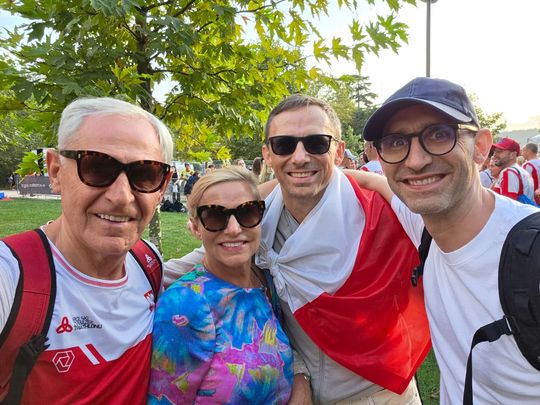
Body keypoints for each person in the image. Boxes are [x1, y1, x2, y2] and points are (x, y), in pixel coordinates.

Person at [166, 94, 430, 404]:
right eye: (284, 145)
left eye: (317, 143)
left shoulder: (384, 213)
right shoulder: (255, 222)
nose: (300, 157)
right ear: (267, 154)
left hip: (381, 395)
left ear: (338, 151)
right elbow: (177, 270)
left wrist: (374, 182)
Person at [360, 76, 540, 403]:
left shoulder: (533, 254)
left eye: (439, 134)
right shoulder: (424, 226)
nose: (415, 161)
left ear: (480, 147)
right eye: (396, 142)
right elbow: (375, 183)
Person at [0, 97, 173, 403]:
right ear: (55, 171)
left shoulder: (148, 263)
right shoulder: (10, 277)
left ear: (162, 186)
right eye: (96, 167)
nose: (121, 196)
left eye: (145, 174)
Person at [149, 166, 293, 403]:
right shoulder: (184, 305)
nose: (234, 229)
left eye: (247, 212)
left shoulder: (264, 281)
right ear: (196, 227)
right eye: (215, 216)